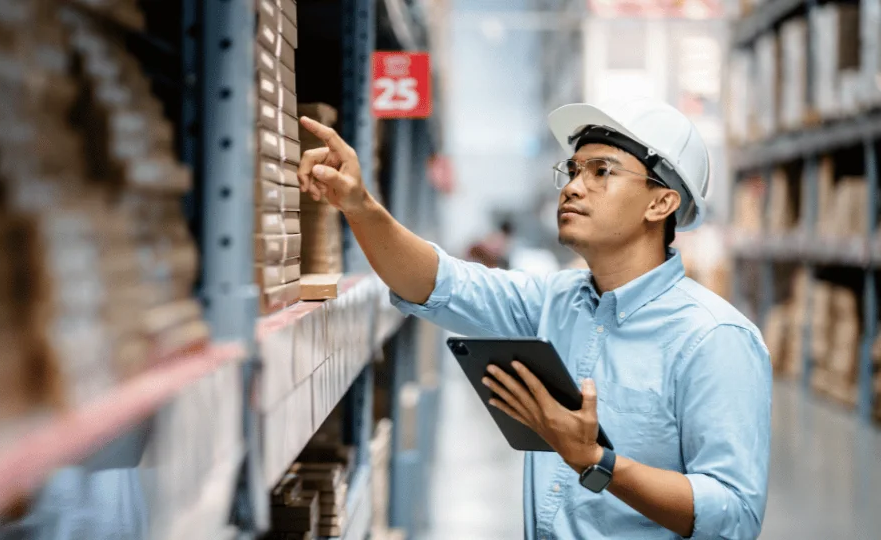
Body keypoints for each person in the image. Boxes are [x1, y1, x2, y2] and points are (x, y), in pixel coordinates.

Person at [297, 97, 771, 540]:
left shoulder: (714, 339)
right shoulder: (554, 302)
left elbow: (734, 513)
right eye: (572, 170)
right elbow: (438, 283)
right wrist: (358, 205)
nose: (573, 186)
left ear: (660, 203)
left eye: (601, 171)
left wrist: (596, 461)